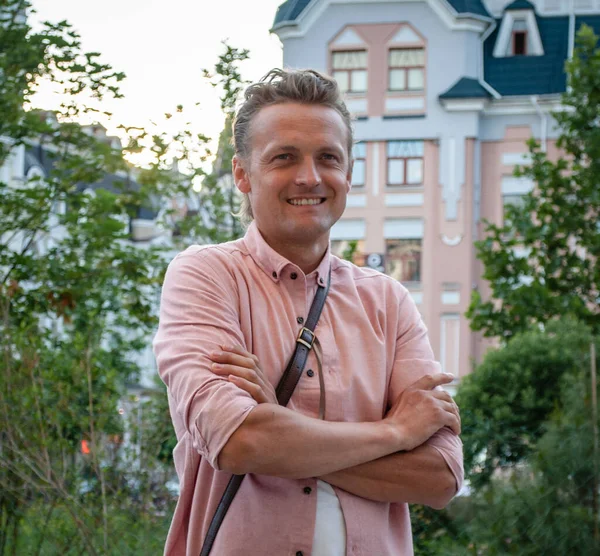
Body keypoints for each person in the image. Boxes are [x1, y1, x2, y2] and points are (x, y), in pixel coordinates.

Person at [153, 68, 463, 556]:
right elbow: (238, 442)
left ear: (348, 174)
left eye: (327, 158)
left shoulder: (388, 301)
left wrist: (281, 427)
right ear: (241, 174)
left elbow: (439, 478)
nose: (310, 177)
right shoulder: (205, 276)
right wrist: (396, 432)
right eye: (284, 157)